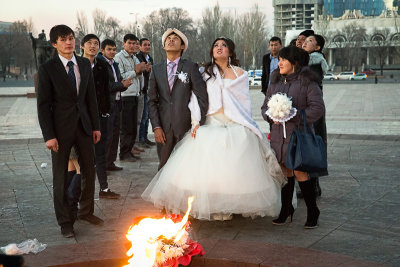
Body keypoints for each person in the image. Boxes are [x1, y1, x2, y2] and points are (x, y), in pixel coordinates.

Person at [142, 37, 286, 221]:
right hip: (211, 121)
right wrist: (196, 122)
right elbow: (196, 98)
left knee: (236, 160)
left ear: (230, 52)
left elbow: (243, 102)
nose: (219, 48)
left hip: (234, 122)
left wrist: (245, 122)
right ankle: (214, 206)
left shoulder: (240, 73)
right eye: (216, 45)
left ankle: (232, 204)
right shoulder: (204, 73)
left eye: (224, 46)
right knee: (210, 163)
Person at [37, 25, 103, 238]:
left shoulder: (83, 64)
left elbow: (90, 97)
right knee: (61, 177)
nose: (68, 42)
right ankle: (65, 221)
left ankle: (86, 212)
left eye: (71, 38)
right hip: (60, 130)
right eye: (63, 39)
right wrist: (49, 136)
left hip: (84, 127)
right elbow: (43, 105)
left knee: (89, 171)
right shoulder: (48, 68)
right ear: (54, 43)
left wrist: (95, 126)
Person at [261, 46, 325, 229]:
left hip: (298, 135)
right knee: (285, 171)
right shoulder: (274, 82)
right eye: (279, 59)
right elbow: (264, 107)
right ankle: (286, 209)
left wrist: (293, 114)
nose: (279, 63)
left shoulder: (308, 83)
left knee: (299, 171)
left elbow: (317, 108)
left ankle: (313, 210)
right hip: (277, 137)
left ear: (295, 62)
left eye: (283, 60)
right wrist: (271, 115)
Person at [147, 28, 209, 170]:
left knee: (186, 168)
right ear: (163, 46)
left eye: (175, 38)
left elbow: (202, 97)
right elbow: (151, 101)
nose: (171, 40)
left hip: (186, 126)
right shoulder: (156, 69)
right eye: (168, 39)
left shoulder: (190, 67)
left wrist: (199, 123)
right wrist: (156, 127)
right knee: (164, 166)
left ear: (182, 46)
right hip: (163, 127)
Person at [81, 34, 120, 199]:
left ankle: (104, 188)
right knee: (83, 157)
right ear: (82, 46)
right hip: (81, 118)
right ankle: (82, 193)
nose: (92, 46)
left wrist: (106, 111)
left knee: (101, 152)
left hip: (100, 116)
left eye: (96, 43)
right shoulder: (76, 65)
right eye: (89, 43)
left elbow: (106, 91)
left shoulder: (101, 66)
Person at [97, 39, 132, 170]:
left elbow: (117, 83)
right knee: (107, 135)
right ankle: (103, 164)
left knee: (115, 134)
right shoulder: (100, 65)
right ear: (102, 50)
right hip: (107, 105)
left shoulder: (114, 64)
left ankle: (110, 162)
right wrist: (121, 85)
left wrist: (124, 85)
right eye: (109, 49)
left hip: (117, 103)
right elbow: (106, 86)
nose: (112, 52)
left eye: (114, 49)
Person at [114, 34, 146, 161]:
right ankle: (123, 153)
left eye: (135, 43)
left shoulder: (135, 58)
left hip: (135, 95)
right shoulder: (119, 58)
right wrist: (135, 71)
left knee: (133, 127)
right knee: (126, 127)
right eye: (130, 43)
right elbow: (120, 76)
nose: (133, 46)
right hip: (125, 96)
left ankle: (129, 150)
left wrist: (143, 70)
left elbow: (139, 74)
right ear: (124, 44)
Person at [136, 38, 155, 148]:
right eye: (145, 45)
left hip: (148, 90)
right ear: (140, 46)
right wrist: (146, 71)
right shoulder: (138, 58)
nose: (147, 47)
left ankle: (145, 137)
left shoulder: (150, 58)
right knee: (142, 117)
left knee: (147, 116)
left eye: (149, 45)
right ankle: (140, 139)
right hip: (141, 90)